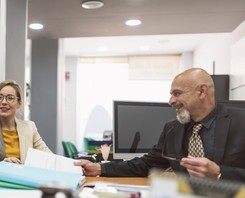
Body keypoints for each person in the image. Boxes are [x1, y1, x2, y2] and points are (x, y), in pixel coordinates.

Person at [75, 68, 245, 182]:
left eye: (177, 94)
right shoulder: (172, 128)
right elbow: (148, 164)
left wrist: (219, 173)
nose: (171, 101)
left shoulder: (241, 122)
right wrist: (99, 168)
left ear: (201, 91)